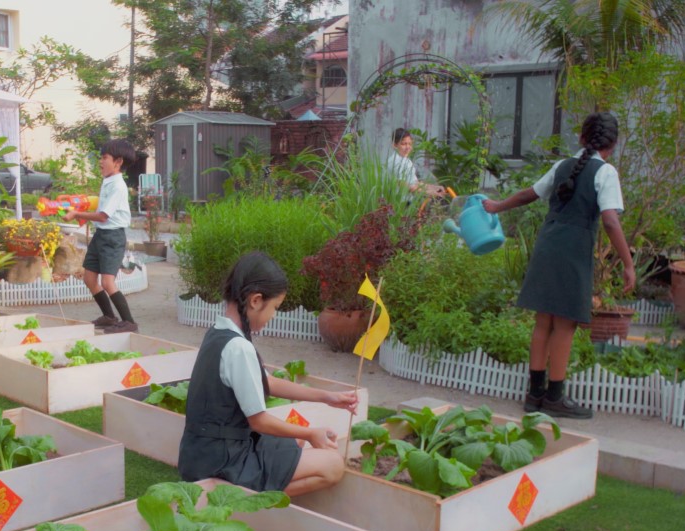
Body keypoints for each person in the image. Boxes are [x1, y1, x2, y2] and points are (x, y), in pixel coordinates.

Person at [482, 112, 634, 420]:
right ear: (613, 144)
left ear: (580, 138)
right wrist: (628, 264)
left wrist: (497, 206)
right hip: (573, 250)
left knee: (544, 321)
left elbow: (530, 194)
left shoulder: (563, 165)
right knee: (565, 325)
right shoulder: (605, 173)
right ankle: (554, 396)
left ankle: (533, 395)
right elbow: (610, 220)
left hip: (548, 243)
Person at [178, 252, 359, 496]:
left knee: (295, 443)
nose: (272, 316)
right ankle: (233, 496)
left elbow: (267, 382)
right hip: (222, 460)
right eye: (274, 307)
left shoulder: (219, 332)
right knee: (333, 466)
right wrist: (311, 432)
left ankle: (241, 491)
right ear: (255, 300)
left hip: (201, 452)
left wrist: (328, 397)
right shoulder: (238, 347)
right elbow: (259, 421)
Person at [64, 139, 139, 334]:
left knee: (107, 282)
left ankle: (129, 321)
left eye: (105, 158)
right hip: (101, 235)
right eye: (101, 157)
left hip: (113, 237)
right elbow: (98, 205)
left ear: (118, 161)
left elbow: (103, 215)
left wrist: (76, 214)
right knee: (89, 278)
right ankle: (109, 317)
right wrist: (77, 203)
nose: (100, 162)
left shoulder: (118, 186)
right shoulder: (108, 181)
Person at [387, 127, 447, 199]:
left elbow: (415, 183)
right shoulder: (395, 161)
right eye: (403, 144)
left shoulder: (406, 160)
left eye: (410, 144)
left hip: (409, 202)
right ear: (395, 145)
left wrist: (434, 188)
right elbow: (405, 186)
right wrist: (430, 192)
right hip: (400, 203)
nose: (408, 147)